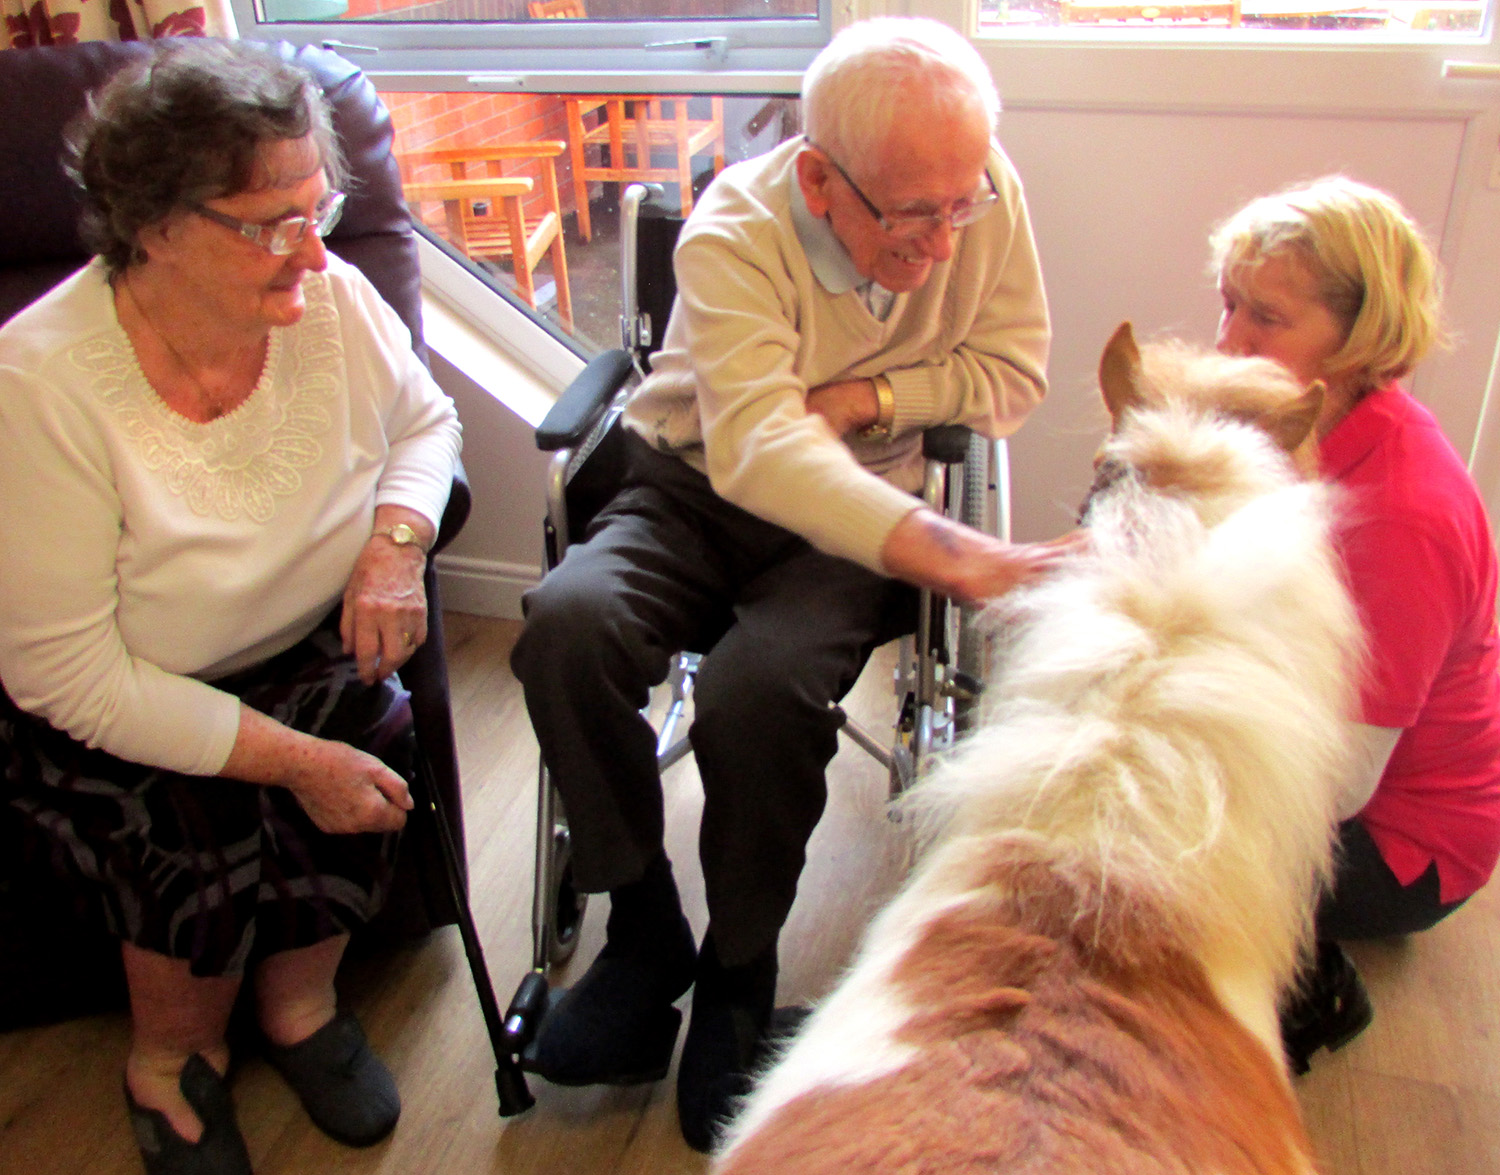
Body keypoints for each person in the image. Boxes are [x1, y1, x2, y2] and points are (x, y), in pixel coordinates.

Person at [510, 16, 1076, 1152]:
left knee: (757, 690)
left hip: (849, 520)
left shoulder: (982, 195)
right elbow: (761, 448)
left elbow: (1011, 375)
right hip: (695, 485)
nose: (946, 243)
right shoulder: (732, 232)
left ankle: (737, 971)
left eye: (959, 204)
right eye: (914, 214)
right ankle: (644, 930)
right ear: (819, 177)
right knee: (563, 625)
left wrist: (870, 400)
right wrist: (954, 553)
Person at [0, 41, 461, 1175]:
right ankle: (171, 1056)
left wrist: (393, 550)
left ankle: (298, 1006)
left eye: (321, 206)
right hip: (133, 699)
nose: (315, 247)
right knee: (187, 832)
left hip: (311, 643)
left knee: (369, 731)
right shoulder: (38, 384)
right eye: (269, 221)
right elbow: (62, 675)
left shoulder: (331, 297)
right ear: (150, 224)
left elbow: (425, 424)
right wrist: (287, 757)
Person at [1210, 176, 1500, 1073]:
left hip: (1399, 842)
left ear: (1358, 335)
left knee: (1124, 852)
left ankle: (1312, 990)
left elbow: (1338, 787)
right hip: (1325, 757)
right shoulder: (1311, 427)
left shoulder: (1401, 515)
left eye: (1265, 317)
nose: (1229, 340)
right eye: (1227, 304)